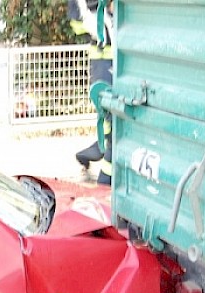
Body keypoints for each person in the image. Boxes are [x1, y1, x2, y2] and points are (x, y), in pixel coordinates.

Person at [68, 0, 114, 184]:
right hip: (105, 72)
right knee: (113, 131)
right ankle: (104, 183)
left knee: (110, 132)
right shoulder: (94, 16)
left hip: (108, 71)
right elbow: (79, 21)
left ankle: (89, 157)